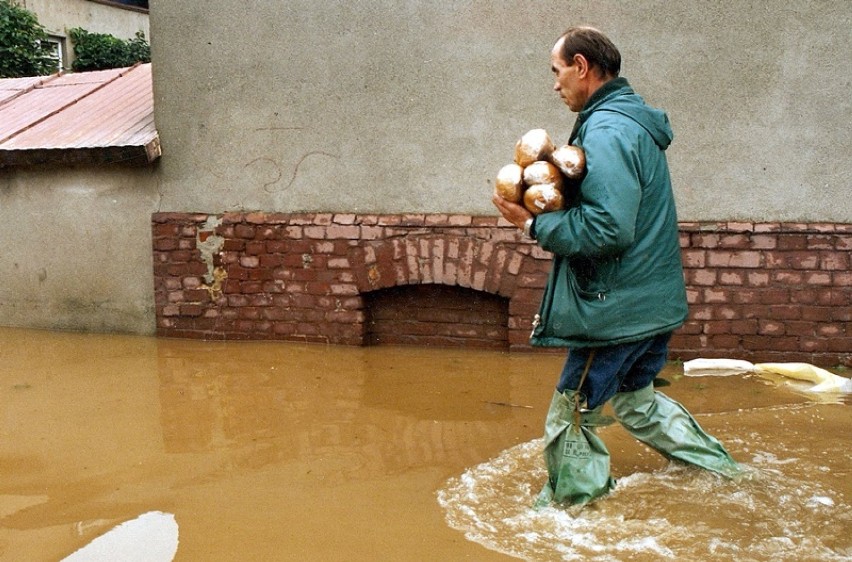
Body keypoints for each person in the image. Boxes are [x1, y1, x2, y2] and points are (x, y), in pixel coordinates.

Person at [492, 26, 740, 508]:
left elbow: (608, 228)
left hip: (615, 309)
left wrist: (532, 225)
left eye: (557, 70)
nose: (554, 83)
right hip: (651, 304)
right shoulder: (631, 122)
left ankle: (569, 516)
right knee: (636, 400)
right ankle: (724, 474)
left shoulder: (606, 131)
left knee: (571, 412)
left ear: (582, 67)